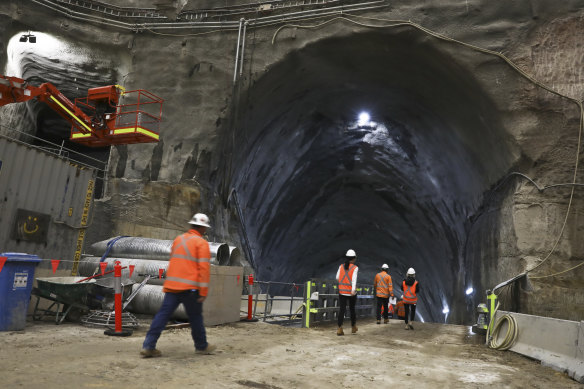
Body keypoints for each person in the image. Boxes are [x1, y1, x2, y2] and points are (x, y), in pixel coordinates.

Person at [141, 213, 216, 357]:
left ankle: (148, 346)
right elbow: (204, 269)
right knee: (195, 317)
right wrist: (203, 291)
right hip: (190, 288)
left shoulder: (178, 240)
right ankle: (201, 346)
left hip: (172, 286)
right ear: (203, 228)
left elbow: (175, 261)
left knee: (162, 315)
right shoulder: (201, 243)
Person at [336, 249, 359, 336]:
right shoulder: (355, 268)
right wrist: (353, 290)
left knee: (342, 310)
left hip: (342, 292)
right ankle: (353, 327)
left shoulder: (341, 266)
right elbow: (354, 280)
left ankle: (339, 328)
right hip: (350, 293)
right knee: (352, 309)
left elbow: (337, 278)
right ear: (353, 258)